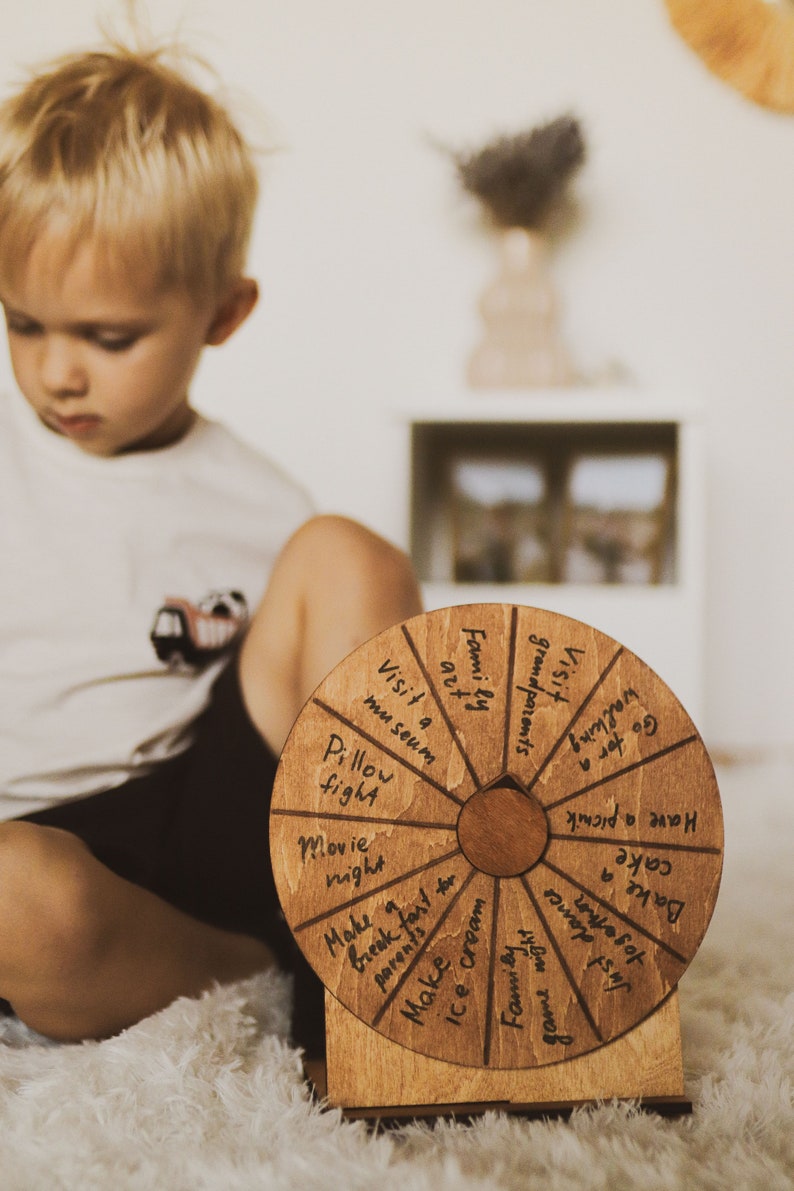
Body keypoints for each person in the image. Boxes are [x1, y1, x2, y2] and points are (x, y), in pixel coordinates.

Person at [0, 38, 422, 1050]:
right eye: (22, 324)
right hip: (45, 846)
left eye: (109, 338)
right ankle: (240, 965)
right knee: (20, 896)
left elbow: (313, 696)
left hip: (226, 818)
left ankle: (373, 954)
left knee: (348, 555)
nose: (59, 373)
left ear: (221, 315)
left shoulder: (255, 498)